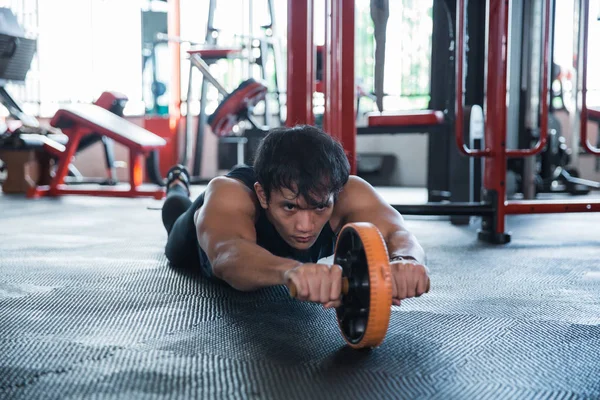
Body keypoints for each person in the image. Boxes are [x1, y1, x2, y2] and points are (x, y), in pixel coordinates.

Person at [161, 125, 429, 309]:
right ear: (263, 195)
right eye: (290, 208)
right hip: (194, 244)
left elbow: (398, 234)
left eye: (319, 208)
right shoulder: (229, 194)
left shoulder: (347, 192)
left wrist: (407, 261)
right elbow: (228, 255)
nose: (305, 226)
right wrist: (293, 271)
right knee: (174, 209)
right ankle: (176, 181)